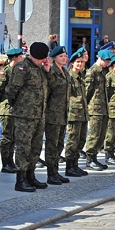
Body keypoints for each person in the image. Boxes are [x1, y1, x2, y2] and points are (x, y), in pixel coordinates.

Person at [4, 42, 51, 191]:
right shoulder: (22, 68)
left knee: (35, 147)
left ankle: (31, 176)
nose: (43, 60)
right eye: (42, 58)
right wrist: (17, 106)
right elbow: (12, 90)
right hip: (24, 116)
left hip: (38, 115)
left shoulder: (40, 70)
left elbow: (50, 87)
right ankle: (21, 179)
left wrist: (48, 71)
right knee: (23, 147)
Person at [44, 46, 71, 184]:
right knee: (51, 145)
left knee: (59, 144)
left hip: (63, 114)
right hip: (52, 115)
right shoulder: (51, 72)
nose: (65, 58)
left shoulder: (65, 72)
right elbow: (47, 92)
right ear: (54, 58)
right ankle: (50, 173)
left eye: (65, 56)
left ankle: (56, 171)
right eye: (61, 56)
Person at [83, 48, 113, 170]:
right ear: (99, 59)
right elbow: (86, 92)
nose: (108, 63)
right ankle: (89, 158)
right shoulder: (92, 72)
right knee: (94, 135)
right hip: (95, 109)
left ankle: (94, 157)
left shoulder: (104, 72)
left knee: (102, 135)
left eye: (108, 61)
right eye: (106, 61)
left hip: (104, 108)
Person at [0, 48, 24, 174]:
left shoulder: (18, 71)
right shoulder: (5, 71)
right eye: (20, 57)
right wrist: (4, 101)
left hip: (16, 109)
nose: (22, 59)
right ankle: (5, 162)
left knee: (13, 137)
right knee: (6, 137)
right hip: (6, 109)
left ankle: (10, 161)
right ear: (15, 58)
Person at [64, 49, 89, 178]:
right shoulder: (69, 77)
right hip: (74, 113)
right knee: (73, 140)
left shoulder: (81, 76)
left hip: (83, 112)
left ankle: (75, 164)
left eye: (81, 62)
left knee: (81, 140)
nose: (80, 64)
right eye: (77, 62)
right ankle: (69, 166)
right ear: (72, 63)